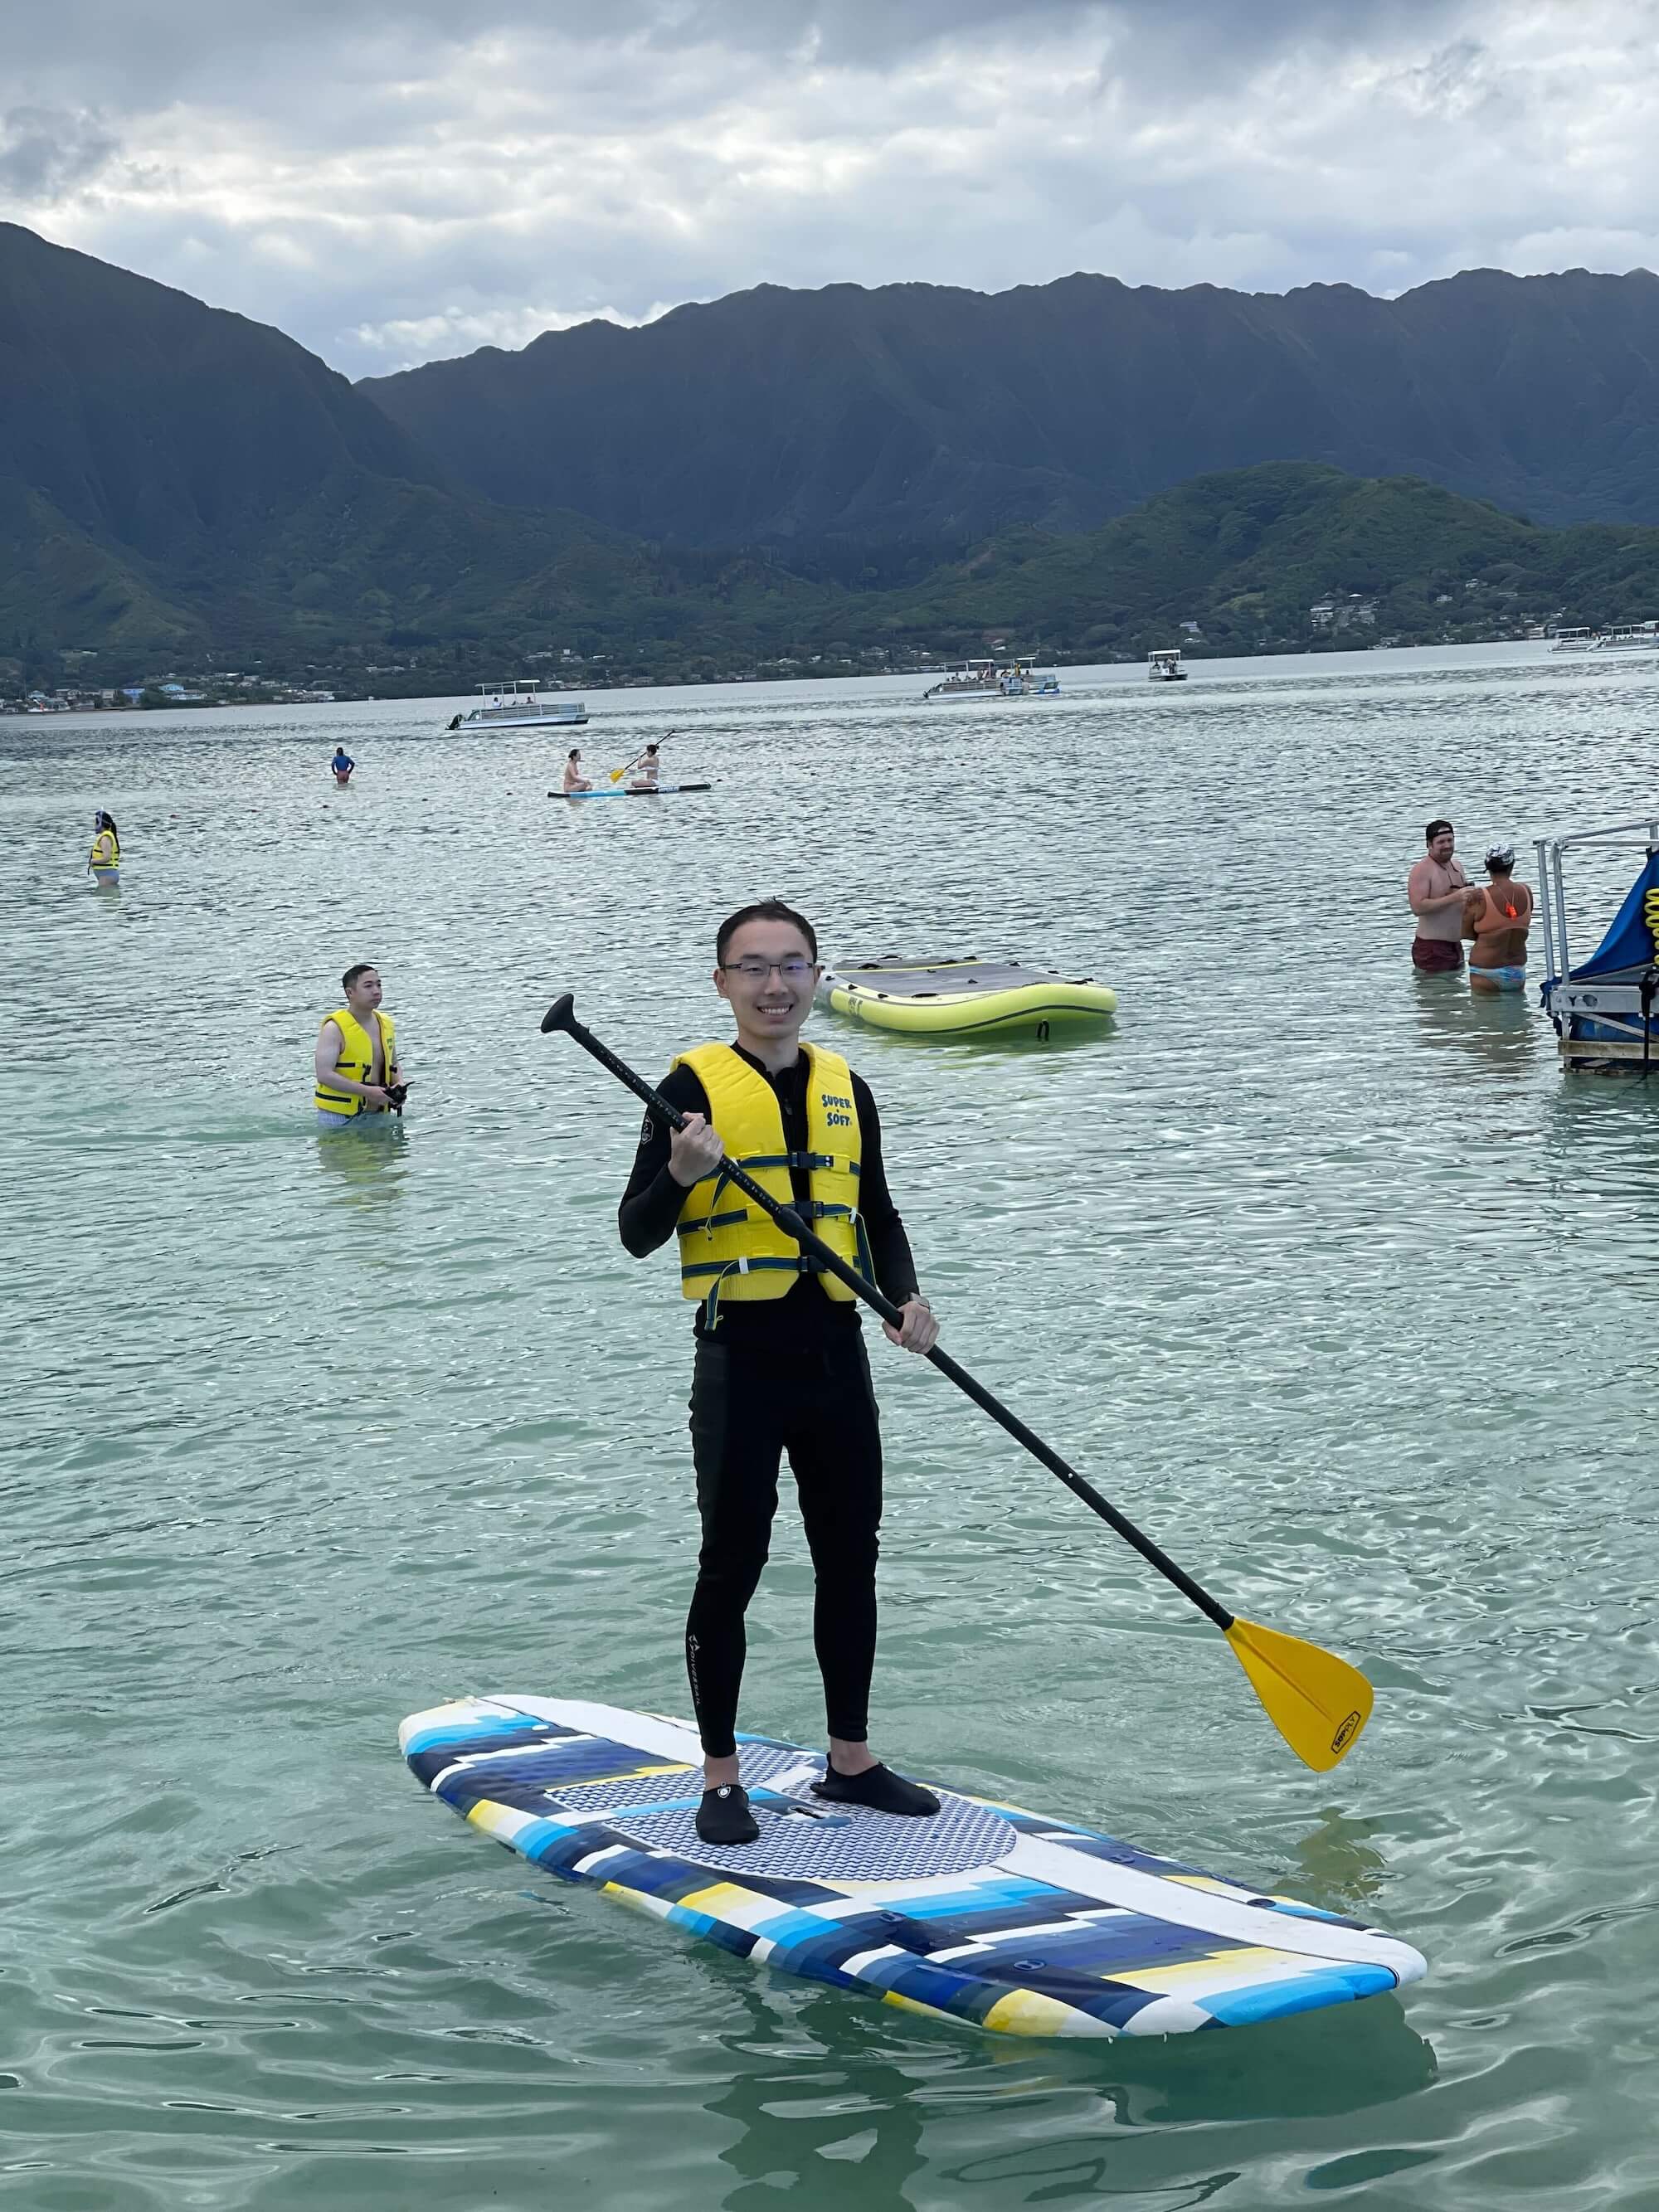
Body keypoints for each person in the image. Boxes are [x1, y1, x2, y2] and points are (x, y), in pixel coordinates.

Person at [618, 898, 942, 1846]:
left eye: (791, 965)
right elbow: (635, 1234)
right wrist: (679, 1174)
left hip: (836, 1356)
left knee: (851, 1559)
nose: (773, 984)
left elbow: (875, 1214)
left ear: (814, 976)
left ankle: (851, 1762)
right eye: (752, 967)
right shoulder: (687, 1088)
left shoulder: (847, 1083)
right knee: (734, 1564)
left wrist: (906, 1300)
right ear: (722, 983)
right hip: (740, 1360)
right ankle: (720, 1777)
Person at [314, 964, 406, 1132]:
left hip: (379, 1114)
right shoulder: (334, 1028)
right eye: (368, 986)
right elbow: (324, 1075)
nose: (376, 991)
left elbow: (394, 1063)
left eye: (379, 984)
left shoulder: (386, 1024)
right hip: (340, 1118)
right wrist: (369, 1092)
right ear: (350, 993)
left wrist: (399, 1084)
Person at [1462, 843, 1532, 991]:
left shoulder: (1479, 897)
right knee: (1517, 1013)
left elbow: (1465, 933)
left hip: (1486, 972)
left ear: (1488, 867)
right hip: (1516, 972)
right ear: (1512, 865)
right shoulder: (1526, 892)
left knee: (1485, 1014)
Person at [1407, 819, 1470, 973]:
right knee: (1436, 996)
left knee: (1457, 996)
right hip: (1431, 949)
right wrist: (1454, 897)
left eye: (1450, 840)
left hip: (1456, 947)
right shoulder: (1422, 870)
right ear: (1429, 845)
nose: (1447, 845)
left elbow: (1462, 902)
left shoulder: (1458, 866)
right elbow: (1417, 907)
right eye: (1441, 842)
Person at [88, 811, 120, 887]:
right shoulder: (104, 837)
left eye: (95, 823)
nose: (94, 825)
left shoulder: (105, 838)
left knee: (105, 898)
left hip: (107, 876)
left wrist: (92, 861)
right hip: (106, 875)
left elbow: (107, 858)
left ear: (100, 824)